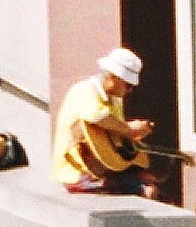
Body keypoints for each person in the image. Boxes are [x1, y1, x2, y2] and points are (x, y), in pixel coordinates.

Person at [53, 48, 162, 195]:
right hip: (78, 173)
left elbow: (115, 138)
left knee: (149, 181)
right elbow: (97, 116)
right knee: (147, 191)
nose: (129, 91)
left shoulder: (115, 102)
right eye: (128, 85)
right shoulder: (84, 90)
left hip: (100, 172)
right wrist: (129, 129)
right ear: (112, 76)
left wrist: (133, 136)